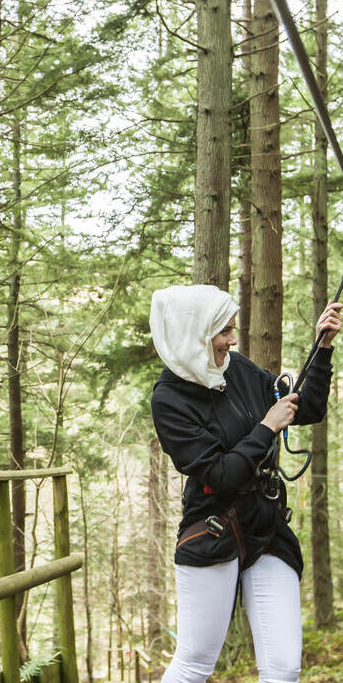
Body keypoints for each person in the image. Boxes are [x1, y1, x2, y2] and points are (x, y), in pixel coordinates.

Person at [149, 284, 341, 683]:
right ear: (195, 332)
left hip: (267, 529)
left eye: (232, 328)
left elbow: (307, 407)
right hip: (214, 529)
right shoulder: (169, 399)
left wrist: (323, 349)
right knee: (194, 664)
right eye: (224, 331)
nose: (232, 339)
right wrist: (266, 427)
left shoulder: (237, 369)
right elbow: (220, 474)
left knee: (284, 667)